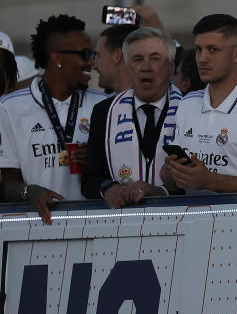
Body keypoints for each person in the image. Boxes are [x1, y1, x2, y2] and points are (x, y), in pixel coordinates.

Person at [0, 15, 107, 223]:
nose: (91, 62)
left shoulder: (104, 104)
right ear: (57, 58)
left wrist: (98, 161)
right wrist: (28, 191)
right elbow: (8, 183)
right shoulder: (10, 108)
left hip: (95, 224)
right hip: (37, 228)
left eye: (92, 54)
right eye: (85, 54)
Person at [161, 14, 237, 193]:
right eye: (198, 49)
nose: (202, 59)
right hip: (190, 217)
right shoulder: (187, 103)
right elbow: (174, 181)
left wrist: (211, 181)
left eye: (213, 50)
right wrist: (172, 172)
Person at [81, 27, 181, 206]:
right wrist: (108, 188)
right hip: (124, 224)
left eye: (155, 58)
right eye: (137, 59)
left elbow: (199, 180)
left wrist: (161, 191)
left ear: (171, 66)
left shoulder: (190, 109)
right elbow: (89, 179)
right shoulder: (104, 111)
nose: (146, 67)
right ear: (127, 66)